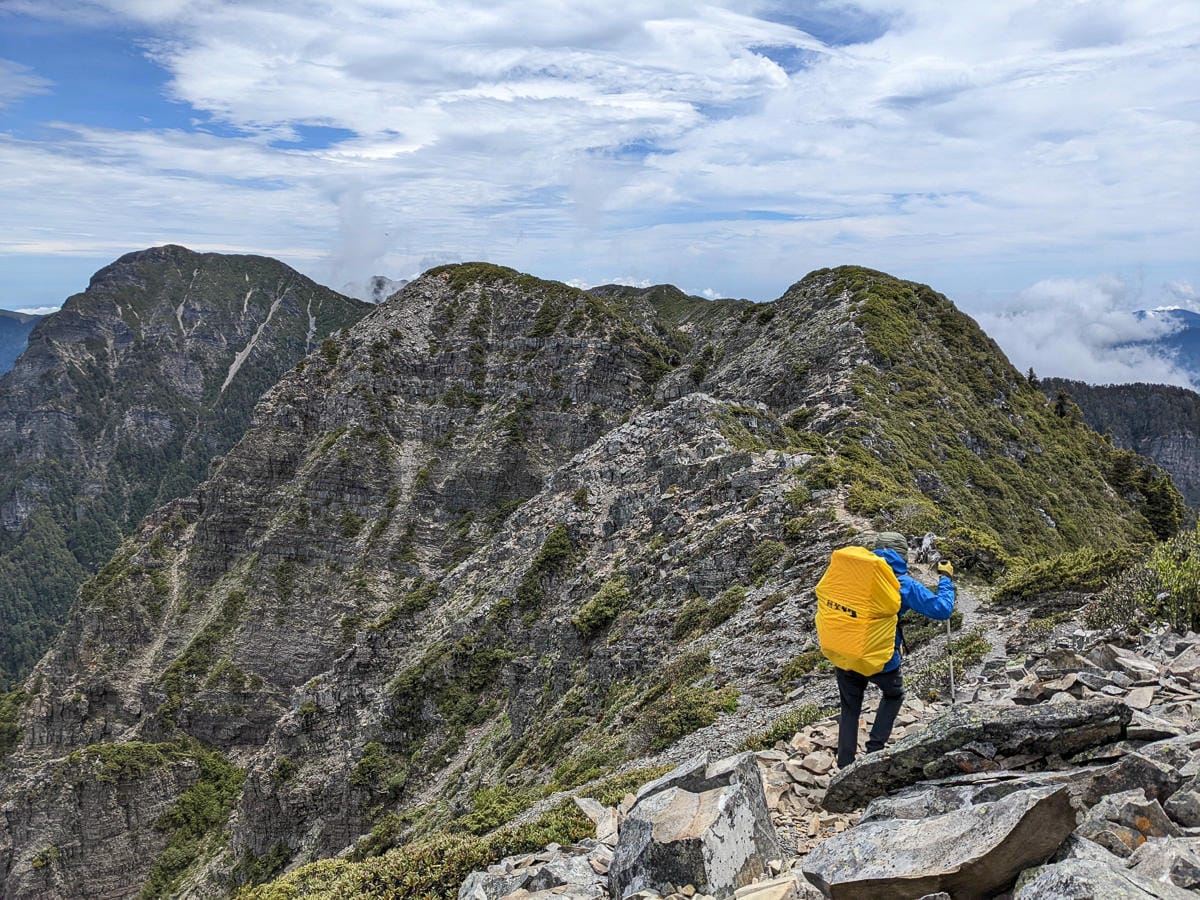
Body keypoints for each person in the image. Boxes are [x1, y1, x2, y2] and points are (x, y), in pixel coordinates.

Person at [834, 531, 955, 768]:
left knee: (850, 708)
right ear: (901, 556)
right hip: (881, 659)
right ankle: (874, 751)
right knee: (893, 694)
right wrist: (945, 579)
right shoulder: (901, 583)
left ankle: (844, 765)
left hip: (847, 653)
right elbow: (942, 609)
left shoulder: (853, 575)